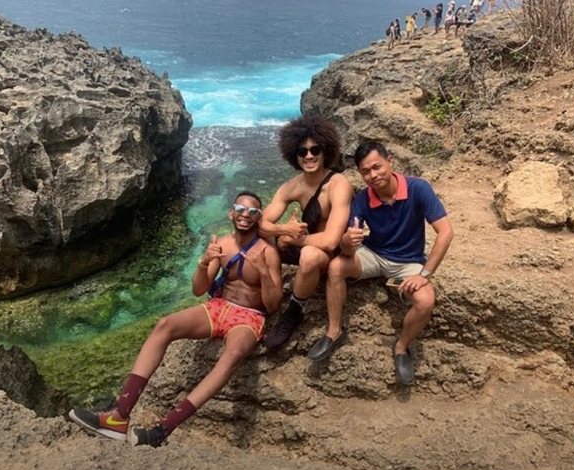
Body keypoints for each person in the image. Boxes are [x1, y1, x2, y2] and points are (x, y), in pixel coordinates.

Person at [69, 191, 283, 447]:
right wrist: (204, 263)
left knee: (233, 353)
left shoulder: (268, 252)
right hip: (218, 307)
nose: (245, 215)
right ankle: (118, 417)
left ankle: (163, 429)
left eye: (252, 211)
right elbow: (198, 290)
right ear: (231, 212)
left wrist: (264, 274)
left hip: (249, 316)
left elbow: (272, 304)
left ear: (259, 217)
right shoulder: (223, 245)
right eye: (240, 208)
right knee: (164, 325)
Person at [321, 142, 454, 384]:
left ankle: (402, 347)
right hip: (374, 253)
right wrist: (347, 242)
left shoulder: (418, 188)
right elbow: (347, 245)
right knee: (336, 267)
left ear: (390, 161)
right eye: (365, 171)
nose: (373, 175)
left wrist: (424, 274)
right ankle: (334, 331)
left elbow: (445, 232)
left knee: (425, 301)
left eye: (377, 167)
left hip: (409, 260)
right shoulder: (362, 199)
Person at [260, 115, 353, 353]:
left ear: (325, 151)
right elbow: (261, 223)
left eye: (315, 149)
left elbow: (331, 240)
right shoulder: (292, 186)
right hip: (302, 245)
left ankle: (294, 310)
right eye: (303, 151)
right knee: (258, 244)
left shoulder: (338, 184)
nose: (309, 156)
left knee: (310, 254)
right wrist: (282, 231)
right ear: (294, 154)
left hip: (326, 254)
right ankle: (260, 298)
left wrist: (294, 239)